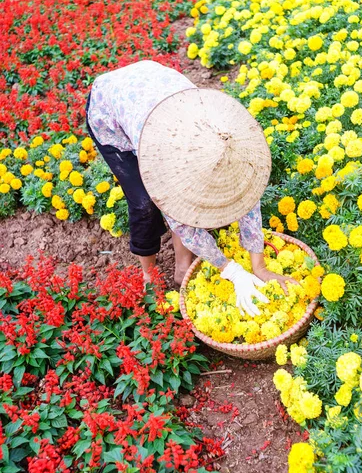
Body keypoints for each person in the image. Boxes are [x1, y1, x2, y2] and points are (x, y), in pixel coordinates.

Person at [86, 60, 296, 317]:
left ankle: (182, 266)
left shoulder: (233, 146)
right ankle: (148, 275)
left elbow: (248, 201)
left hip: (157, 88)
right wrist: (233, 271)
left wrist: (259, 267)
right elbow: (183, 221)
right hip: (112, 105)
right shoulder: (167, 166)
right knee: (144, 204)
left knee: (186, 206)